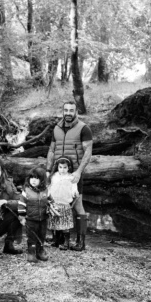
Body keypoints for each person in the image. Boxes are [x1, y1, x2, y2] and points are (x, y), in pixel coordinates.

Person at [46, 101, 93, 251]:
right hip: (56, 173)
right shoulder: (57, 128)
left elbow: (88, 151)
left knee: (77, 205)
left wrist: (78, 172)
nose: (68, 113)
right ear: (63, 111)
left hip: (73, 175)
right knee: (54, 203)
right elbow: (52, 150)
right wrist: (48, 170)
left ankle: (80, 241)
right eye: (65, 110)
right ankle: (58, 238)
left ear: (76, 112)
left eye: (71, 110)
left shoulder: (83, 128)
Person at [18, 167, 56, 262]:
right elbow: (21, 204)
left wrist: (53, 208)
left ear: (42, 180)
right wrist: (22, 217)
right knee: (32, 236)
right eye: (31, 178)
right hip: (31, 219)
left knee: (42, 235)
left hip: (43, 219)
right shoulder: (26, 191)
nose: (33, 180)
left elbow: (51, 201)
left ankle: (40, 251)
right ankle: (31, 253)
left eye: (36, 178)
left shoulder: (46, 191)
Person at [48, 156, 78, 251]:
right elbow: (49, 188)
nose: (62, 169)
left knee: (65, 224)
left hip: (65, 204)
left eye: (65, 167)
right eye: (60, 167)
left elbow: (74, 189)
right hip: (54, 203)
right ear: (57, 167)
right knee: (55, 222)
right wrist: (48, 197)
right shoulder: (53, 176)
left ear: (68, 167)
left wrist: (75, 193)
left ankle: (66, 242)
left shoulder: (71, 177)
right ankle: (56, 240)